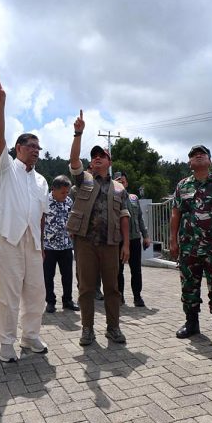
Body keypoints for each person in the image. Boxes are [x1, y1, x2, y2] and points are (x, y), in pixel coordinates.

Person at [0, 74, 50, 363]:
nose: (35, 150)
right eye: (30, 146)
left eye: (38, 147)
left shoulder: (42, 181)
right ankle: (6, 343)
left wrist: (42, 244)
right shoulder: (6, 168)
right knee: (7, 295)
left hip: (32, 242)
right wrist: (0, 106)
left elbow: (41, 216)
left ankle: (30, 336)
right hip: (8, 237)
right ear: (18, 148)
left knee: (37, 293)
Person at [68, 110, 130, 347]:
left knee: (112, 288)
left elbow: (124, 216)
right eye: (94, 156)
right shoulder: (83, 179)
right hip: (85, 242)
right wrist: (78, 133)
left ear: (109, 162)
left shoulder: (119, 188)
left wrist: (126, 244)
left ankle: (113, 328)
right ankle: (87, 329)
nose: (96, 159)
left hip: (111, 243)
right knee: (86, 288)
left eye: (101, 156)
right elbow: (74, 160)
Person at [169, 145, 212, 346]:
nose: (198, 156)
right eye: (193, 155)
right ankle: (191, 324)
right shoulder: (182, 186)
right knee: (189, 287)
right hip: (188, 247)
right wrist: (173, 241)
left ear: (210, 160)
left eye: (202, 153)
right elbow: (175, 214)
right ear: (189, 163)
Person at [114, 171, 151, 307]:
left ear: (127, 183)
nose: (121, 183)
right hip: (118, 240)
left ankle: (137, 296)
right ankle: (119, 296)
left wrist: (145, 236)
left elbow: (140, 218)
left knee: (136, 270)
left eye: (123, 181)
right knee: (118, 270)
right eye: (118, 181)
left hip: (134, 238)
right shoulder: (111, 199)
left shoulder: (134, 198)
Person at [43, 175, 79, 313]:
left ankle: (67, 300)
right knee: (48, 276)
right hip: (49, 246)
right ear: (54, 189)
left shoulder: (69, 201)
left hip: (66, 245)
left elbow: (73, 218)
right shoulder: (44, 201)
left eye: (67, 192)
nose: (65, 195)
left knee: (67, 275)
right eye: (63, 192)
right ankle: (50, 301)